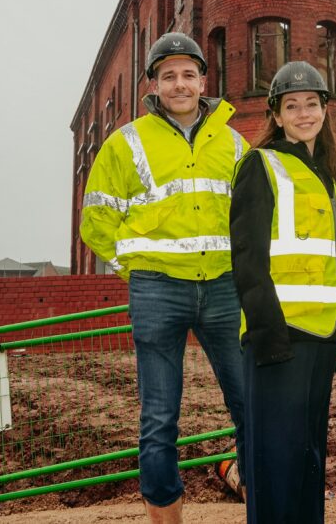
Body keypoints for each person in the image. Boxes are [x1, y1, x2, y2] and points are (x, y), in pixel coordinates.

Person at [80, 32, 247, 523]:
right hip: (157, 291)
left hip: (223, 287)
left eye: (188, 74)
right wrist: (135, 265)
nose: (179, 84)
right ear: (154, 84)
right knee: (159, 421)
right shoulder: (125, 143)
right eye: (168, 75)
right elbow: (96, 219)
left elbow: (252, 216)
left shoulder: (233, 141)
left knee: (251, 407)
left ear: (203, 80)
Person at [230, 61, 336, 524]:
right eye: (292, 105)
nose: (304, 113)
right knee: (275, 462)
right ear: (277, 116)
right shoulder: (261, 165)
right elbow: (248, 259)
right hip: (279, 338)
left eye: (312, 103)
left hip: (322, 339)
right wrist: (269, 336)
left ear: (325, 110)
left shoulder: (330, 177)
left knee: (308, 458)